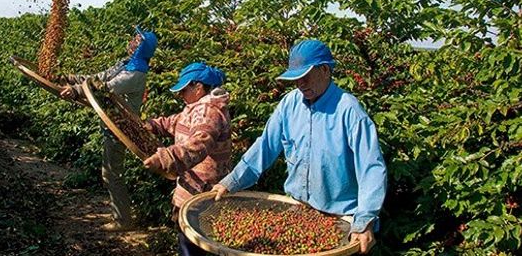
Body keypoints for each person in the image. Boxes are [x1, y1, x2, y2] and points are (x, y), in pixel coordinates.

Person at [212, 39, 387, 254]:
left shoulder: (349, 111)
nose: (300, 84)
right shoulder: (289, 104)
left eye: (305, 77)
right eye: (296, 79)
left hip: (341, 218)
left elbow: (371, 168)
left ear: (324, 70)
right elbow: (265, 146)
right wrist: (232, 182)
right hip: (298, 211)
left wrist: (365, 220)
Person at [59, 26, 158, 231]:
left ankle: (123, 221)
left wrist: (76, 91)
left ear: (142, 48)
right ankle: (121, 216)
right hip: (111, 125)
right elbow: (98, 78)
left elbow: (106, 89)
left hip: (120, 128)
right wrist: (71, 78)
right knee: (110, 173)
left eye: (137, 41)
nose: (132, 42)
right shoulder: (125, 65)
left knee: (112, 174)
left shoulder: (135, 74)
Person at [142, 62, 231, 256]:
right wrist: (153, 125)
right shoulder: (195, 108)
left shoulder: (209, 112)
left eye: (184, 89)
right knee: (188, 242)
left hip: (202, 193)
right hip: (190, 190)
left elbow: (199, 144)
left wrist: (166, 157)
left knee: (195, 245)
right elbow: (175, 123)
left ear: (198, 88)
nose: (180, 94)